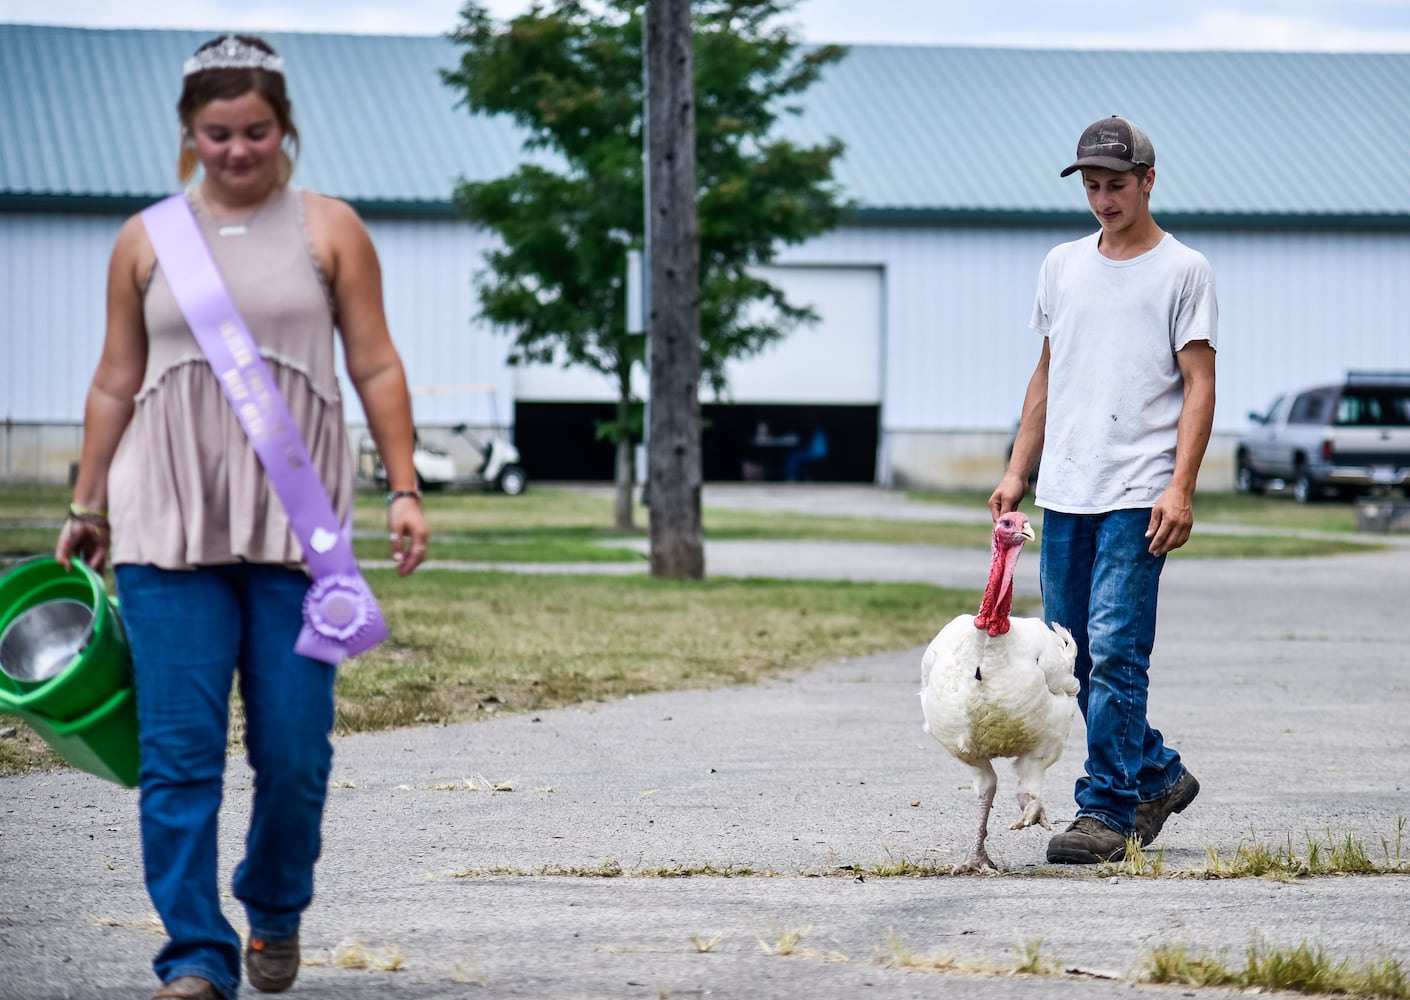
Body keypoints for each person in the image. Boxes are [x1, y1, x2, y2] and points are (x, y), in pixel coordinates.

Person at [55, 35, 429, 1000]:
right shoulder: (145, 238)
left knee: (296, 754)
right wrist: (87, 501)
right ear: (190, 133)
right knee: (179, 759)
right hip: (164, 530)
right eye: (217, 134)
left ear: (284, 128)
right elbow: (114, 377)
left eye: (255, 131)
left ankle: (274, 903)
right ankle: (194, 958)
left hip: (295, 538)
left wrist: (403, 486)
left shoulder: (331, 228)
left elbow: (377, 364)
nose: (236, 151)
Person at [989, 115, 1217, 865]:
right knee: (1072, 659)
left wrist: (1181, 488)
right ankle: (1154, 770)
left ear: (1148, 180)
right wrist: (1018, 470)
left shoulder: (1184, 271)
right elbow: (1048, 375)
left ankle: (1108, 810)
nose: (1103, 198)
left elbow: (1200, 385)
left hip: (1137, 491)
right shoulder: (1062, 265)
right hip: (1066, 491)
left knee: (1118, 650)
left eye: (1116, 184)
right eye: (1091, 185)